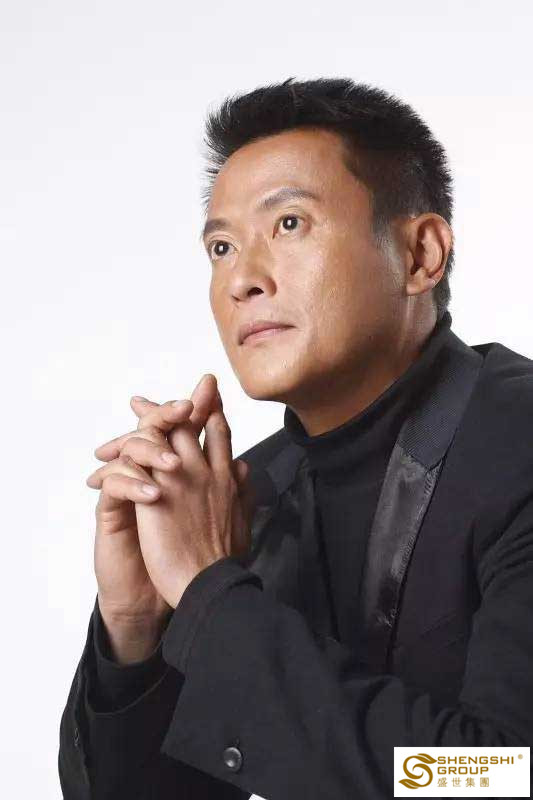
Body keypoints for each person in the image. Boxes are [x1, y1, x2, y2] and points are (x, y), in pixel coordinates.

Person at [58, 77, 533, 799]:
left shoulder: (517, 441)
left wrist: (210, 597)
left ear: (419, 255)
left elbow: (501, 777)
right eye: (221, 247)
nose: (241, 279)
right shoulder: (244, 497)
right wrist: (137, 625)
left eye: (288, 224)